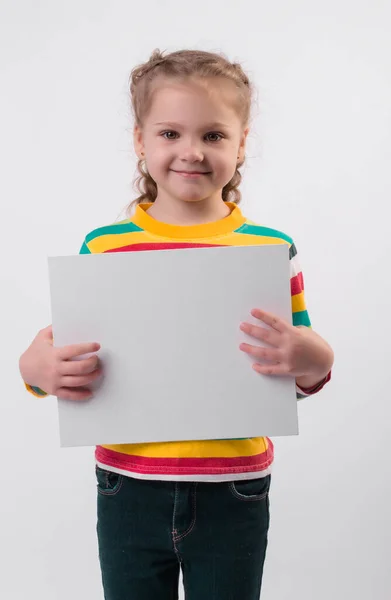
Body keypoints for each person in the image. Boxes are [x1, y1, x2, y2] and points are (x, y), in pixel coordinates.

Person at [19, 48, 334, 600]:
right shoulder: (104, 247)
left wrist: (316, 361)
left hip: (234, 487)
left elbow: (299, 371)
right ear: (140, 141)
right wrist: (35, 368)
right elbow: (60, 357)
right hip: (127, 485)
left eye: (214, 135)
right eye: (170, 134)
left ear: (242, 142)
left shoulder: (270, 250)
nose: (191, 151)